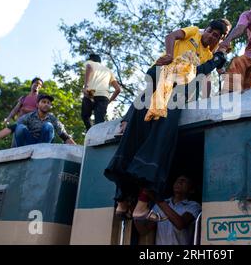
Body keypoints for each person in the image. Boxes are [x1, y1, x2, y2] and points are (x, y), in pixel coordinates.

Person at [104, 20, 227, 221]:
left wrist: (218, 59)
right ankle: (125, 201)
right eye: (211, 31)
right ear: (207, 30)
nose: (211, 36)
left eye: (217, 36)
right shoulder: (193, 32)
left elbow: (202, 72)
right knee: (147, 141)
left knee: (152, 141)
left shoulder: (207, 56)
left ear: (219, 39)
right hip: (161, 85)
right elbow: (171, 36)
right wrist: (170, 55)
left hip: (174, 93)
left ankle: (135, 203)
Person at [0, 94, 76, 150]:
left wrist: (81, 152)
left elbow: (65, 137)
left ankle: (43, 151)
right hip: (29, 144)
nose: (46, 104)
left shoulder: (53, 119)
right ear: (37, 104)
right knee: (19, 127)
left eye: (48, 103)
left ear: (50, 106)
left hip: (44, 145)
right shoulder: (28, 117)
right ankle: (20, 152)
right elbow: (10, 129)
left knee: (48, 126)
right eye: (44, 102)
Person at [134, 175, 201, 245]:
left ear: (192, 190)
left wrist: (156, 198)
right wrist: (136, 214)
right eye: (177, 180)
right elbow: (143, 230)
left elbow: (180, 224)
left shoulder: (193, 206)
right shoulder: (161, 205)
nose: (179, 182)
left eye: (184, 181)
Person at [82, 53, 121, 131]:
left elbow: (89, 67)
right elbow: (118, 89)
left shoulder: (90, 63)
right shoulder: (109, 71)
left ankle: (90, 131)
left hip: (91, 92)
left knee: (85, 116)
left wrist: (86, 86)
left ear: (91, 59)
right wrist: (109, 101)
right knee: (99, 122)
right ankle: (98, 136)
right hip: (103, 96)